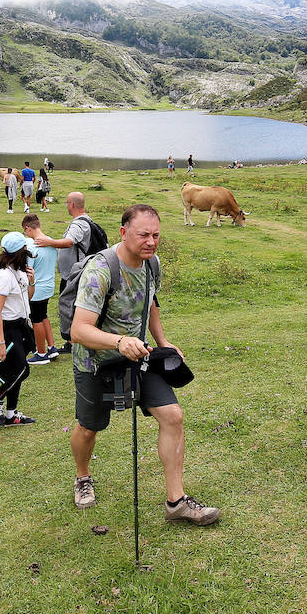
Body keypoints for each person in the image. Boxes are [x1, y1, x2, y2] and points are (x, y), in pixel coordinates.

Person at [69, 204, 220, 525]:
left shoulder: (152, 265)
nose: (151, 242)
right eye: (143, 235)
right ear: (123, 233)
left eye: (156, 235)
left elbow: (150, 302)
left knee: (173, 416)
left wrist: (162, 342)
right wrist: (119, 341)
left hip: (138, 355)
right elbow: (78, 330)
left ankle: (177, 502)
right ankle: (83, 476)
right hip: (96, 362)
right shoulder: (99, 271)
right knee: (88, 427)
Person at [34, 191, 100, 353]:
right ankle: (78, 340)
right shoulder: (87, 221)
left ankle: (73, 341)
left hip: (75, 274)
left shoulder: (79, 224)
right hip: (80, 272)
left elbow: (69, 242)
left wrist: (48, 242)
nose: (66, 206)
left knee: (70, 306)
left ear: (71, 204)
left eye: (66, 203)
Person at [0, 232, 37, 425]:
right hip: (6, 329)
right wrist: (0, 342)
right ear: (19, 254)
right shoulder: (5, 276)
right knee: (22, 370)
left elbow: (27, 298)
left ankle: (11, 414)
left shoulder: (20, 272)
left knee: (18, 369)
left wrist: (31, 281)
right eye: (26, 251)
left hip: (20, 325)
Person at [21, 214, 60, 363]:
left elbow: (28, 270)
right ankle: (51, 348)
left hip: (37, 289)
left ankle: (41, 353)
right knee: (43, 315)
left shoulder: (31, 247)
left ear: (27, 228)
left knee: (36, 319)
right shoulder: (50, 241)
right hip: (49, 286)